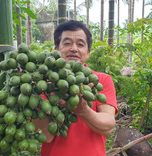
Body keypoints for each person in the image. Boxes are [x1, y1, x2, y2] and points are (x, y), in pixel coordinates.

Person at [32, 20, 118, 156]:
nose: (74, 49)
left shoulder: (101, 80)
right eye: (66, 43)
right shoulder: (43, 85)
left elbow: (107, 127)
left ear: (88, 52)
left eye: (80, 44)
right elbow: (47, 136)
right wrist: (35, 95)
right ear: (56, 50)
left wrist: (83, 111)